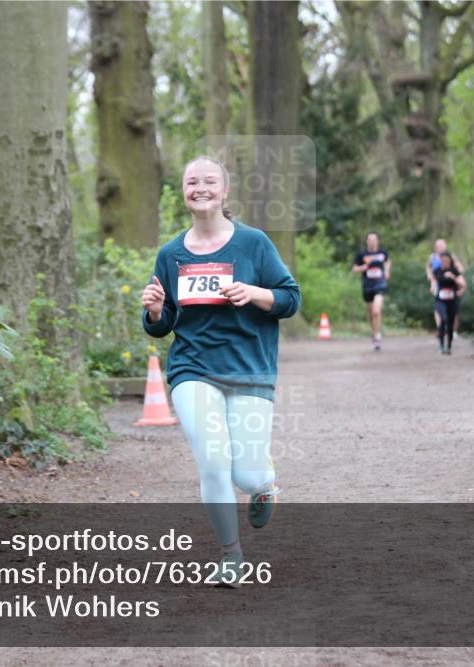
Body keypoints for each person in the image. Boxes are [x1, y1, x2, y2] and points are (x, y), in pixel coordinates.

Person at [140, 155, 301, 587]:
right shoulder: (171, 254)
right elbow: (163, 322)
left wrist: (254, 292)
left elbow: (290, 299)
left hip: (249, 369)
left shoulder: (254, 244)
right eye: (192, 182)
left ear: (225, 191)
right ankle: (232, 556)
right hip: (192, 368)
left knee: (244, 473)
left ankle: (264, 483)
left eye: (210, 181)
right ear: (184, 192)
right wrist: (155, 312)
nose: (201, 188)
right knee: (212, 459)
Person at [351, 232, 391, 351]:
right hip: (367, 285)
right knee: (370, 313)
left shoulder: (382, 253)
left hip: (380, 283)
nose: (372, 242)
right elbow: (353, 268)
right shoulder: (362, 254)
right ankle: (374, 333)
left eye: (374, 239)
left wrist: (387, 272)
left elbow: (388, 261)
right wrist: (361, 268)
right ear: (367, 241)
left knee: (376, 311)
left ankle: (377, 336)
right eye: (370, 239)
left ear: (377, 241)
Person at [431, 251, 466, 355]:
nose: (444, 262)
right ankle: (441, 345)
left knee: (450, 324)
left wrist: (452, 277)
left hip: (452, 300)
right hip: (440, 300)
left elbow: (463, 284)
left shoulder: (454, 271)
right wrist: (432, 288)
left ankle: (449, 346)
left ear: (450, 261)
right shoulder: (437, 271)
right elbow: (433, 282)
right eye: (442, 260)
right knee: (443, 319)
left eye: (446, 260)